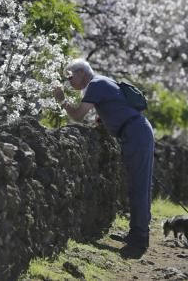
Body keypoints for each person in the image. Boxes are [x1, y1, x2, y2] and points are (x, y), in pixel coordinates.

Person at [54, 58, 155, 258]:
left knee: (139, 186)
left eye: (70, 76)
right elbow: (114, 106)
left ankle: (140, 239)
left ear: (82, 72)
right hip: (136, 132)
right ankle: (136, 233)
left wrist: (62, 100)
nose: (69, 81)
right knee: (136, 185)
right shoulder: (102, 82)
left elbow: (77, 116)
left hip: (136, 134)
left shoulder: (95, 85)